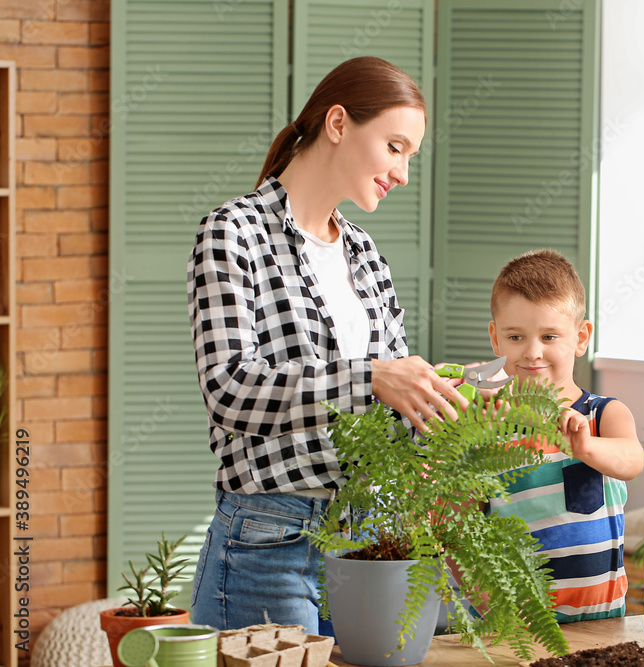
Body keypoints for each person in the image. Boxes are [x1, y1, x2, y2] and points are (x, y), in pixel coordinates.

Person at [186, 56, 466, 634]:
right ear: (338, 124)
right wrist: (371, 378)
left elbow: (391, 409)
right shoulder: (232, 233)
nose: (404, 173)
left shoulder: (366, 256)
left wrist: (444, 398)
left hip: (368, 540)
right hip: (270, 541)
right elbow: (230, 389)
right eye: (395, 147)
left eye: (410, 155)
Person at [486, 249, 644, 622]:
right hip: (516, 628)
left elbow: (631, 459)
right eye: (515, 337)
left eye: (549, 336)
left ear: (581, 337)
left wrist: (585, 446)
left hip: (602, 622)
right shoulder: (485, 428)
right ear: (496, 339)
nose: (532, 352)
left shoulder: (604, 415)